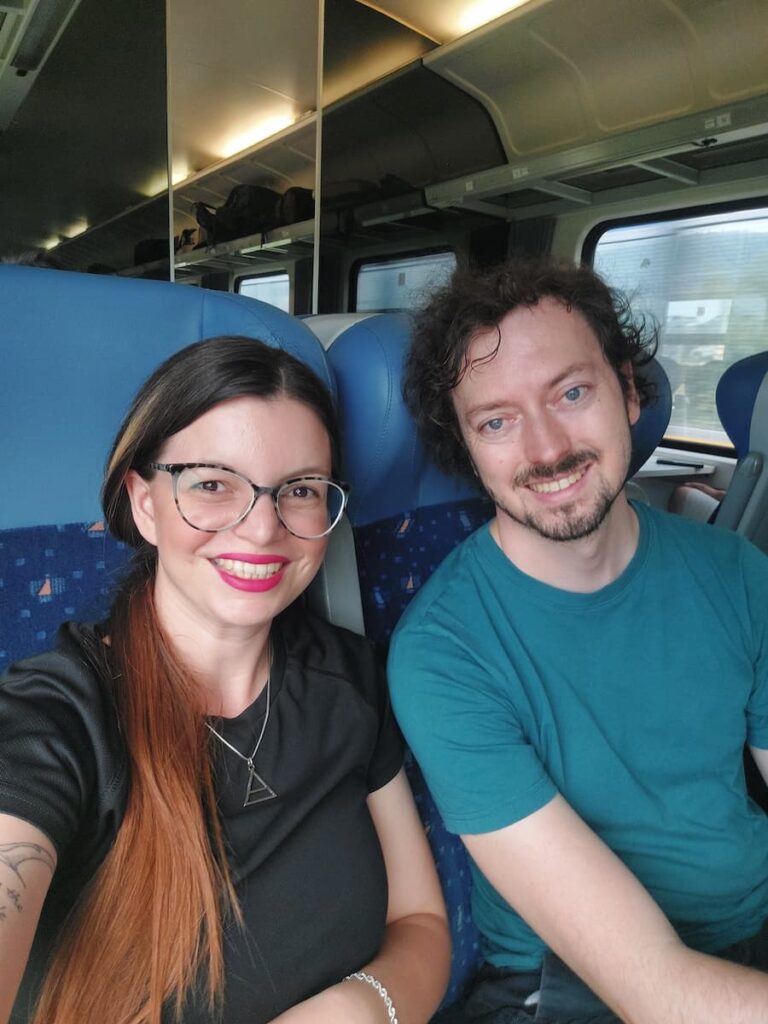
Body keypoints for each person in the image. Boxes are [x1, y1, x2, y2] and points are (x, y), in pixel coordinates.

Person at [0, 336, 450, 1024]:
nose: (263, 528)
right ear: (145, 503)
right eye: (213, 484)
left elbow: (419, 921)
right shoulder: (59, 716)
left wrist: (357, 1011)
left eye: (299, 490)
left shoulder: (352, 680)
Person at [387, 259, 768, 1023]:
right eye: (496, 421)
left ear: (628, 390)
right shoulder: (443, 652)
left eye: (570, 392)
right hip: (578, 987)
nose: (547, 447)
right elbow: (653, 986)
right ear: (468, 447)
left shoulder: (736, 571)